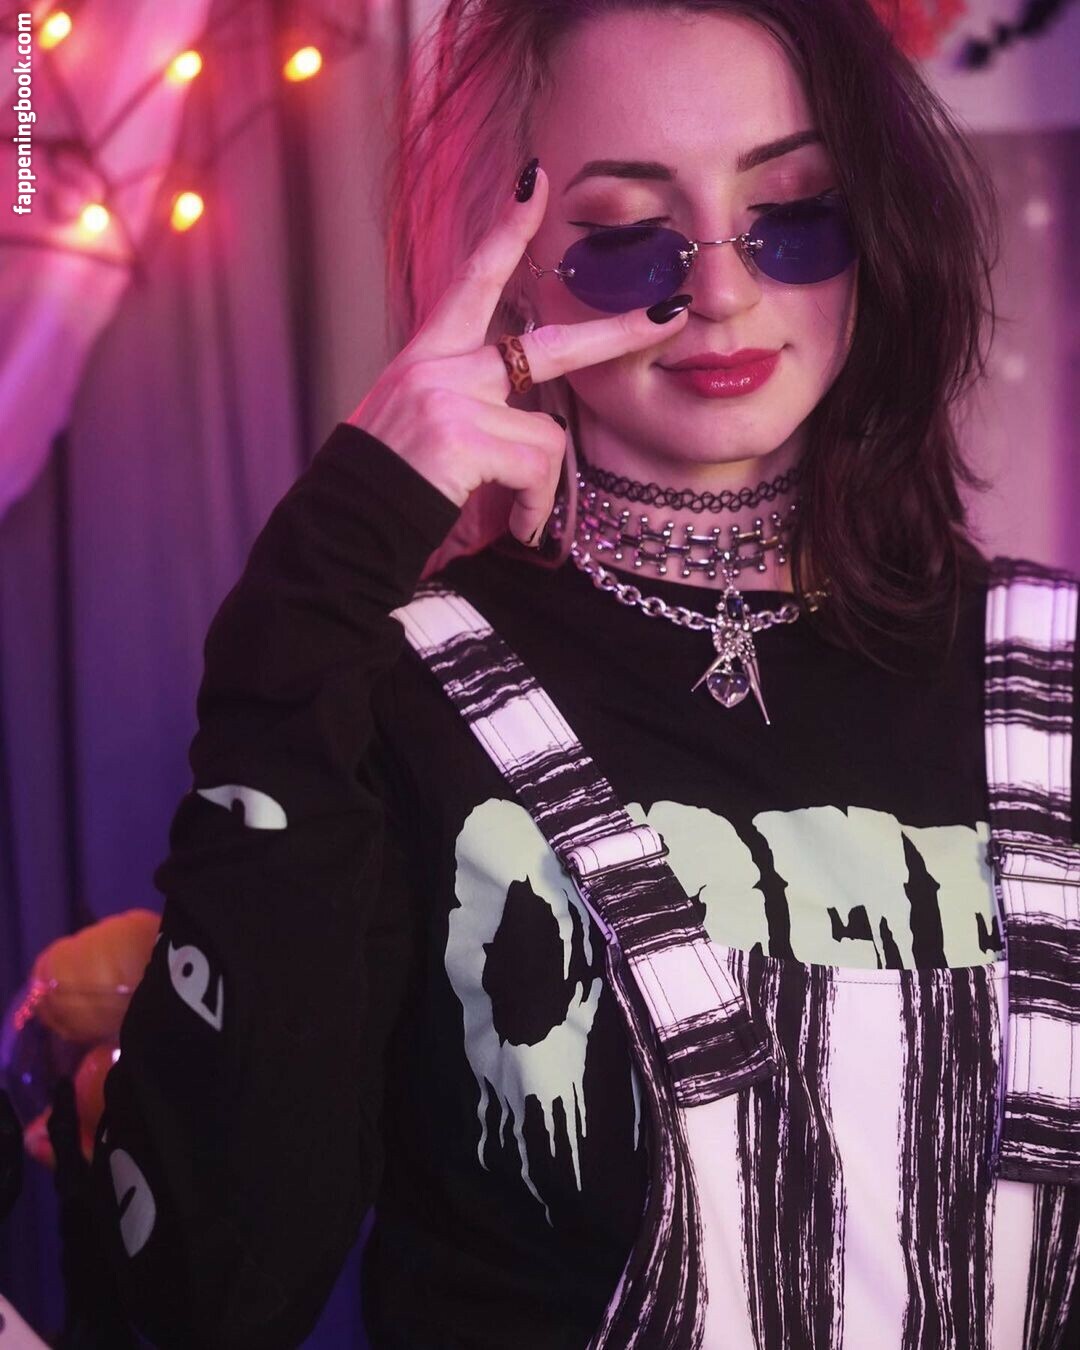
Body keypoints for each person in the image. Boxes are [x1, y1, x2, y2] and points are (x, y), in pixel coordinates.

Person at [89, 1, 1080, 1347]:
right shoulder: (387, 683)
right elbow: (201, 1302)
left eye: (793, 214)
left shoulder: (1049, 666)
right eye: (627, 239)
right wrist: (331, 557)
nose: (721, 294)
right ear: (512, 275)